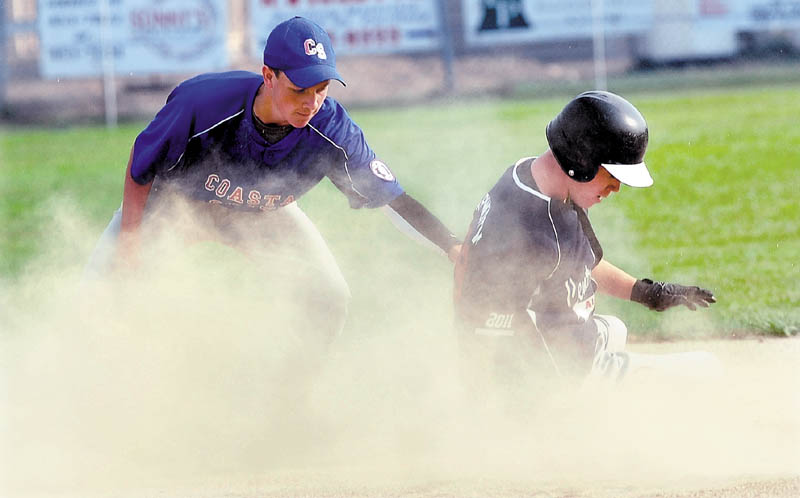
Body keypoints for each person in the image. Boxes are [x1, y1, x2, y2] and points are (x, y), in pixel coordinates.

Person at [86, 16, 461, 351]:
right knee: (104, 292)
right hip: (174, 204)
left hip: (261, 213)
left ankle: (284, 400)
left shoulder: (332, 130)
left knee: (328, 298)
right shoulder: (204, 103)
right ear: (269, 76)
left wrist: (451, 246)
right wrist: (131, 243)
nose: (311, 102)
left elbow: (391, 198)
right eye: (300, 88)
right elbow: (141, 165)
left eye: (322, 88)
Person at [453, 90, 715, 388]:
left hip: (564, 335)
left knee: (616, 329)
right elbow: (490, 323)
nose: (616, 188)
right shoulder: (533, 231)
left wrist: (648, 293)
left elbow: (579, 262)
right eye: (611, 175)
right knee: (707, 368)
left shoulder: (537, 177)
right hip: (560, 368)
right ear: (580, 159)